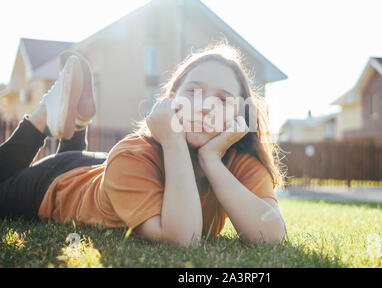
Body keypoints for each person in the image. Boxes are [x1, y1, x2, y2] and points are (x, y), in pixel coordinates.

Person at [0, 45, 286, 247]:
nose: (205, 107)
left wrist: (212, 160)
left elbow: (271, 234)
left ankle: (76, 123)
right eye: (193, 92)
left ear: (239, 115)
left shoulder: (239, 159)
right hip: (53, 185)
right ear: (170, 100)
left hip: (98, 170)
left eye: (223, 100)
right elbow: (183, 239)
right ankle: (43, 117)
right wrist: (173, 140)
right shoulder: (133, 155)